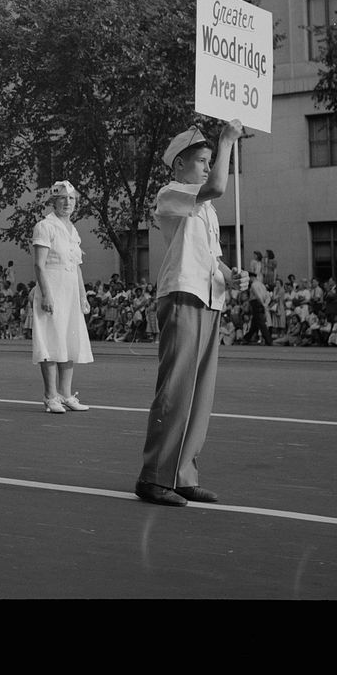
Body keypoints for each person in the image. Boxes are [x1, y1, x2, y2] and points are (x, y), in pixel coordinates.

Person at [135, 120, 246, 508]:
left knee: (200, 393)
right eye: (200, 160)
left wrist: (234, 277)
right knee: (176, 388)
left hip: (209, 297)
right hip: (182, 294)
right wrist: (228, 139)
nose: (205, 166)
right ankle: (153, 476)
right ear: (178, 165)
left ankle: (181, 475)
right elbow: (216, 185)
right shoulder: (171, 193)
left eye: (209, 160)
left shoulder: (208, 211)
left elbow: (214, 260)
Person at [31, 180, 94, 413]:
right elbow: (39, 265)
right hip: (52, 288)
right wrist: (46, 294)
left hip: (70, 291)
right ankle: (51, 396)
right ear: (53, 201)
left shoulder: (73, 230)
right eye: (62, 198)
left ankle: (66, 394)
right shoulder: (44, 226)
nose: (67, 202)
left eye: (71, 198)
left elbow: (76, 265)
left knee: (69, 340)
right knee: (51, 340)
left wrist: (83, 295)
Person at [242, 273, 272, 345]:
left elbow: (257, 295)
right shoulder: (261, 284)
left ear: (252, 277)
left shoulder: (254, 285)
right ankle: (246, 338)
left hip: (256, 303)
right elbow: (266, 294)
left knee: (261, 323)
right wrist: (265, 303)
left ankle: (268, 340)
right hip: (261, 302)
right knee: (255, 323)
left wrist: (262, 303)